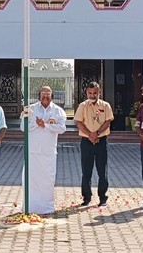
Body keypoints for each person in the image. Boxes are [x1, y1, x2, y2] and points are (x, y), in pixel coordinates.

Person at [21, 86, 66, 214]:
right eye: (43, 94)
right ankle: (30, 207)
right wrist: (37, 124)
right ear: (39, 95)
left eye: (48, 94)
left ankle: (46, 207)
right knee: (31, 181)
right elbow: (22, 127)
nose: (45, 96)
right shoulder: (30, 109)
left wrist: (45, 125)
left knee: (47, 181)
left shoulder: (58, 111)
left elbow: (62, 128)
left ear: (52, 96)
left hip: (48, 152)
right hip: (33, 151)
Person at [74, 81, 114, 207]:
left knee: (102, 170)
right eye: (90, 93)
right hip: (86, 141)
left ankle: (103, 197)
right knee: (86, 170)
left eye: (95, 93)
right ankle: (86, 197)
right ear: (87, 93)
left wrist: (96, 133)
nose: (92, 95)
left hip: (101, 140)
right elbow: (79, 123)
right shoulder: (82, 106)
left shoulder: (105, 105)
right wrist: (90, 135)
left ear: (99, 92)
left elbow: (107, 122)